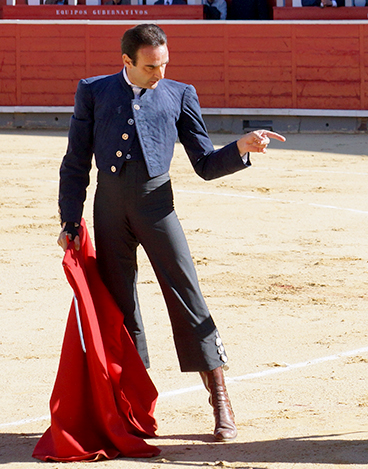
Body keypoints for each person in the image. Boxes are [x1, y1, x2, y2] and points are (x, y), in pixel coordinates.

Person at [57, 23, 286, 442]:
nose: (159, 74)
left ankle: (220, 398)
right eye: (150, 67)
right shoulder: (93, 90)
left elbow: (204, 163)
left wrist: (239, 148)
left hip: (157, 206)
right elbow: (75, 163)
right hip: (108, 210)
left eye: (164, 63)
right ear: (126, 61)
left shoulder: (180, 93)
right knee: (121, 306)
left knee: (186, 294)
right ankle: (132, 407)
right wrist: (70, 221)